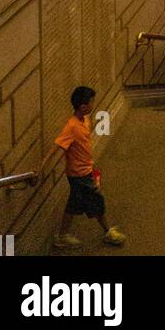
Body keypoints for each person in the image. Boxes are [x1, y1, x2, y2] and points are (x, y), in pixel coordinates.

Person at [51, 86, 126, 249]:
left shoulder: (85, 119)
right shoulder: (71, 126)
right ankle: (107, 232)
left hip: (85, 170)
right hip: (79, 174)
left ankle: (63, 235)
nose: (93, 105)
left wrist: (91, 166)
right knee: (96, 200)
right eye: (91, 102)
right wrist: (40, 168)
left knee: (75, 204)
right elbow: (57, 146)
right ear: (83, 107)